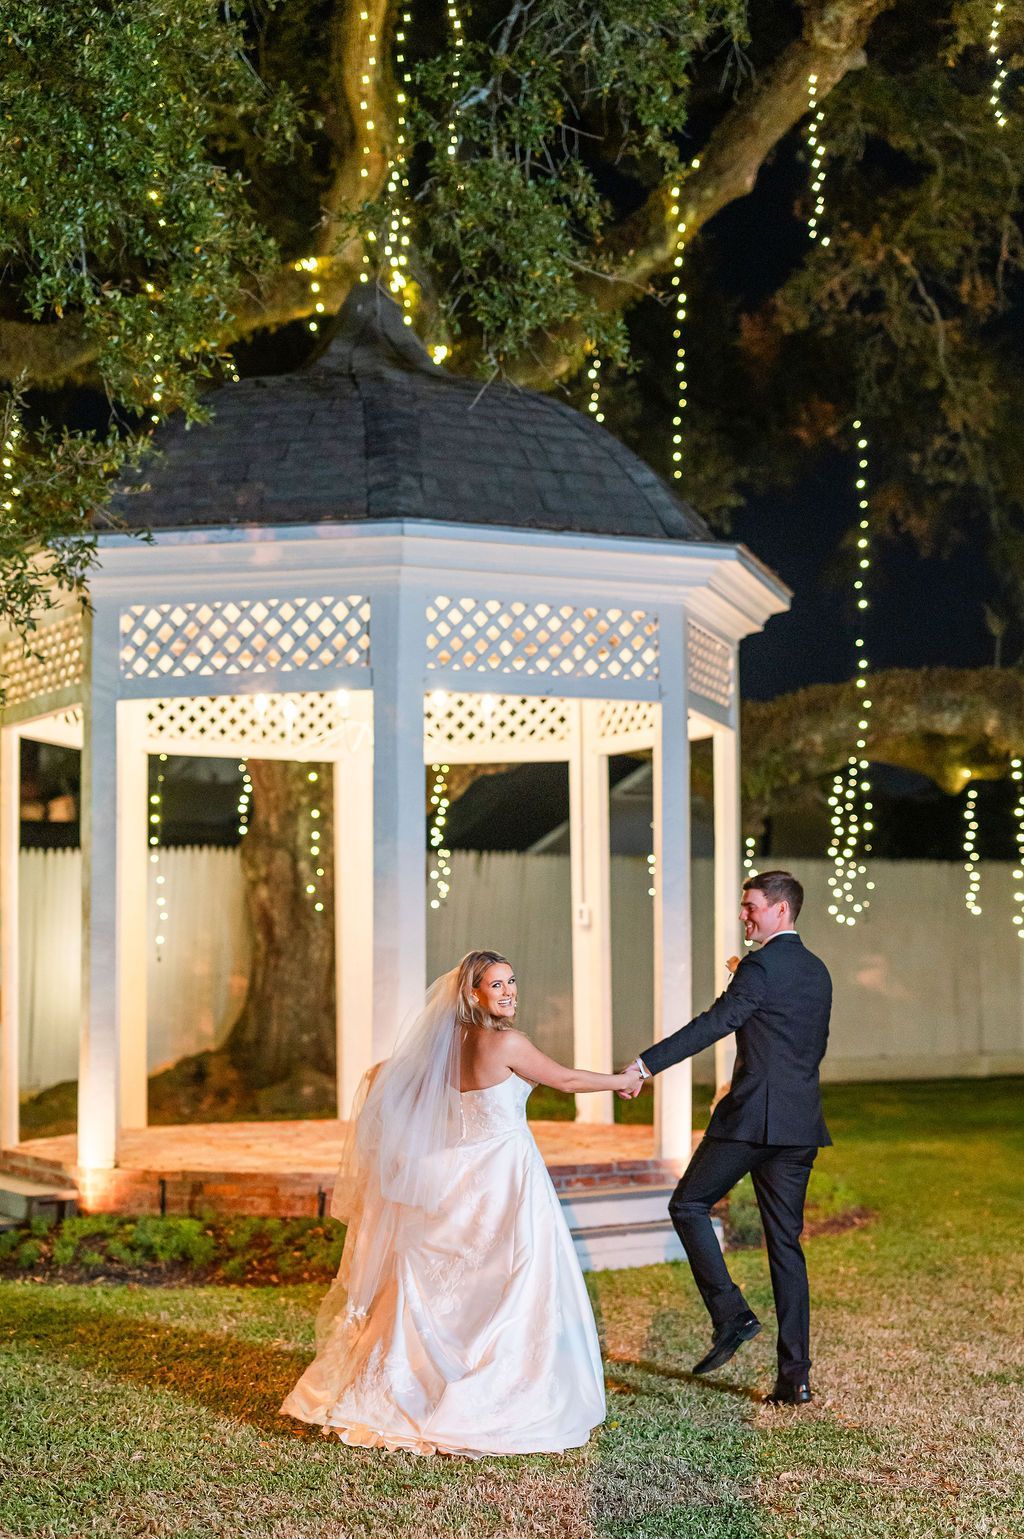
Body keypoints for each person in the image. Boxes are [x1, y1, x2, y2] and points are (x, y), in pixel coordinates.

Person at [281, 949, 643, 1456]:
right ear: (473, 993)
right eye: (497, 985)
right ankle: (496, 1393)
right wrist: (625, 1081)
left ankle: (406, 1385)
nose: (509, 991)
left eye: (512, 981)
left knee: (455, 1285)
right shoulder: (508, 1042)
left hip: (453, 1176)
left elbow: (389, 1080)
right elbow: (567, 1080)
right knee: (514, 1281)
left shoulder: (444, 1044)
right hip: (504, 1177)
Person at [621, 870, 832, 1406]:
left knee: (688, 1203)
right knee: (786, 1246)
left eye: (752, 906)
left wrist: (646, 1065)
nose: (745, 915)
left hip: (750, 1122)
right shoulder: (816, 971)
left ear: (780, 910)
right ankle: (796, 1378)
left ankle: (732, 1314)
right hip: (799, 1124)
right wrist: (745, 980)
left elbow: (714, 1023)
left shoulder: (761, 967)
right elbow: (798, 1041)